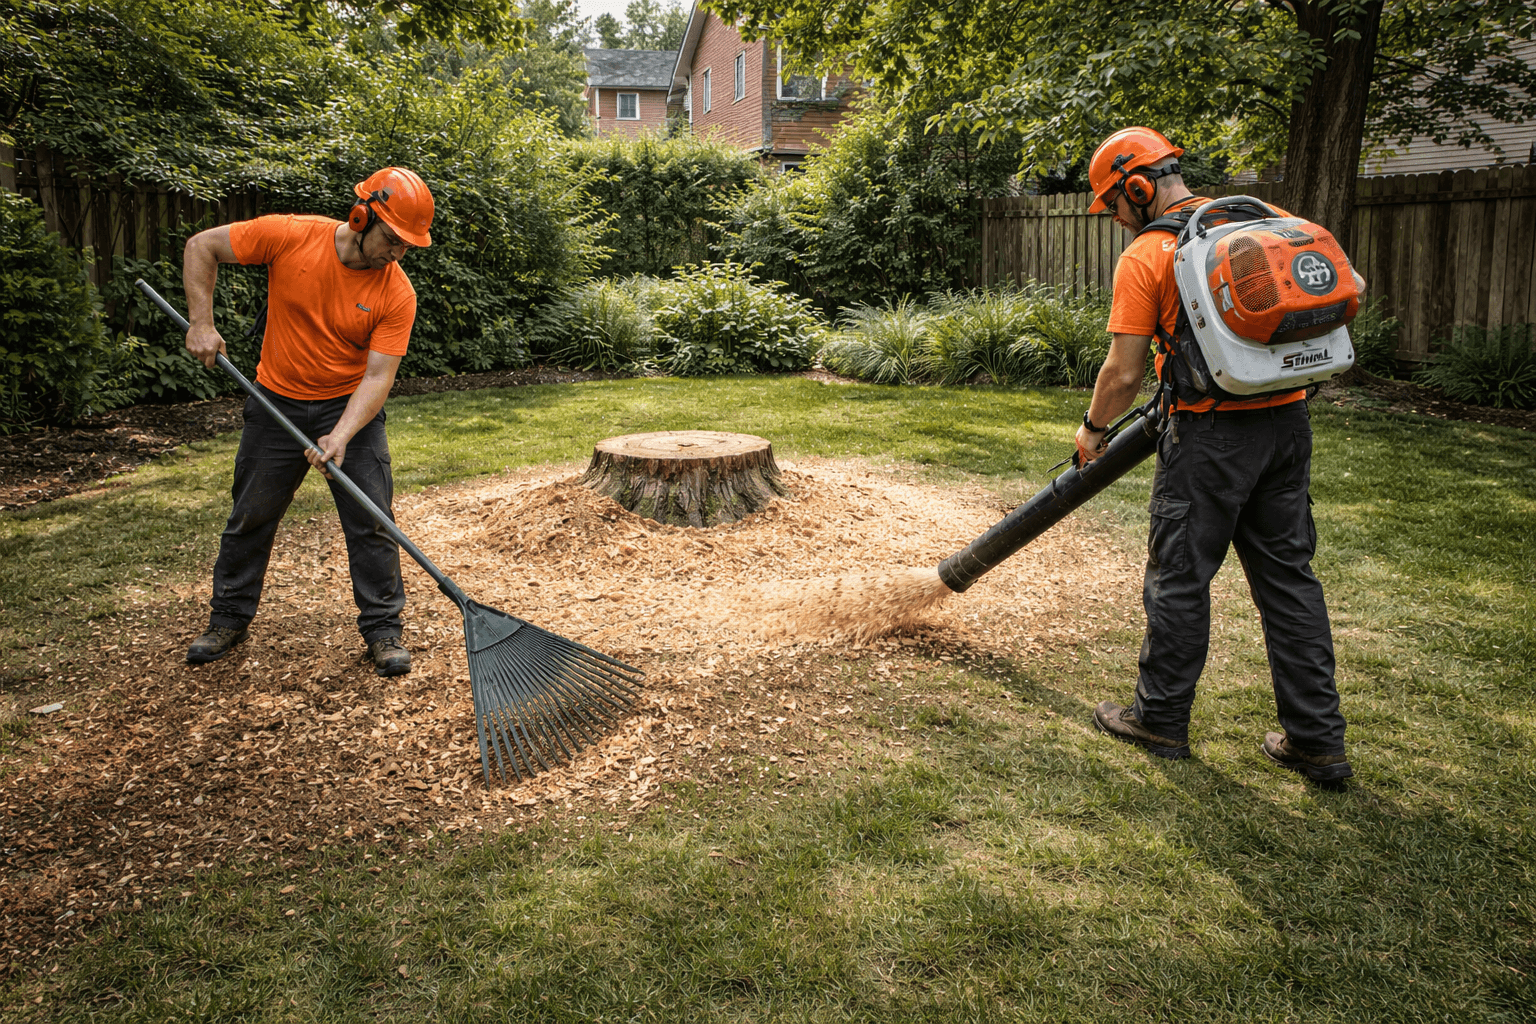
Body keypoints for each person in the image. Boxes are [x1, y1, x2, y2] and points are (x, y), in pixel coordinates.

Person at [1076, 127, 1354, 784]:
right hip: (1287, 425)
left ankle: (1159, 719)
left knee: (1179, 578)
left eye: (1114, 202)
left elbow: (1121, 374)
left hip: (1210, 438)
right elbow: (1349, 282)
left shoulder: (1150, 254)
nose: (1115, 217)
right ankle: (1317, 742)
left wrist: (1092, 431)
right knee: (1290, 580)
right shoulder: (1264, 220)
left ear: (1137, 187)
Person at [180, 167, 434, 677]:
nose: (398, 253)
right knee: (251, 514)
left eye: (409, 245)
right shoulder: (292, 235)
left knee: (372, 519)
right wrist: (201, 322)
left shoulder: (396, 293)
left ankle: (383, 630)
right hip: (275, 402)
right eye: (393, 239)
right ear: (362, 216)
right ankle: (228, 617)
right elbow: (200, 246)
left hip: (350, 409)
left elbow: (378, 378)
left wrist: (340, 435)